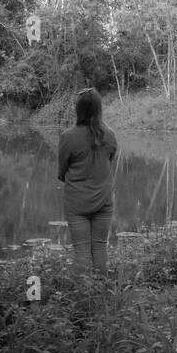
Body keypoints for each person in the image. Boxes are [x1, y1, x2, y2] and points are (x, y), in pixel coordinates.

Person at [57, 88, 118, 271]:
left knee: (81, 250)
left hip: (77, 202)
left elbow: (61, 172)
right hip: (104, 199)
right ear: (99, 109)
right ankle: (102, 291)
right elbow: (109, 162)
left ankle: (83, 293)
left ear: (79, 110)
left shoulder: (68, 137)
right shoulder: (110, 135)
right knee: (99, 246)